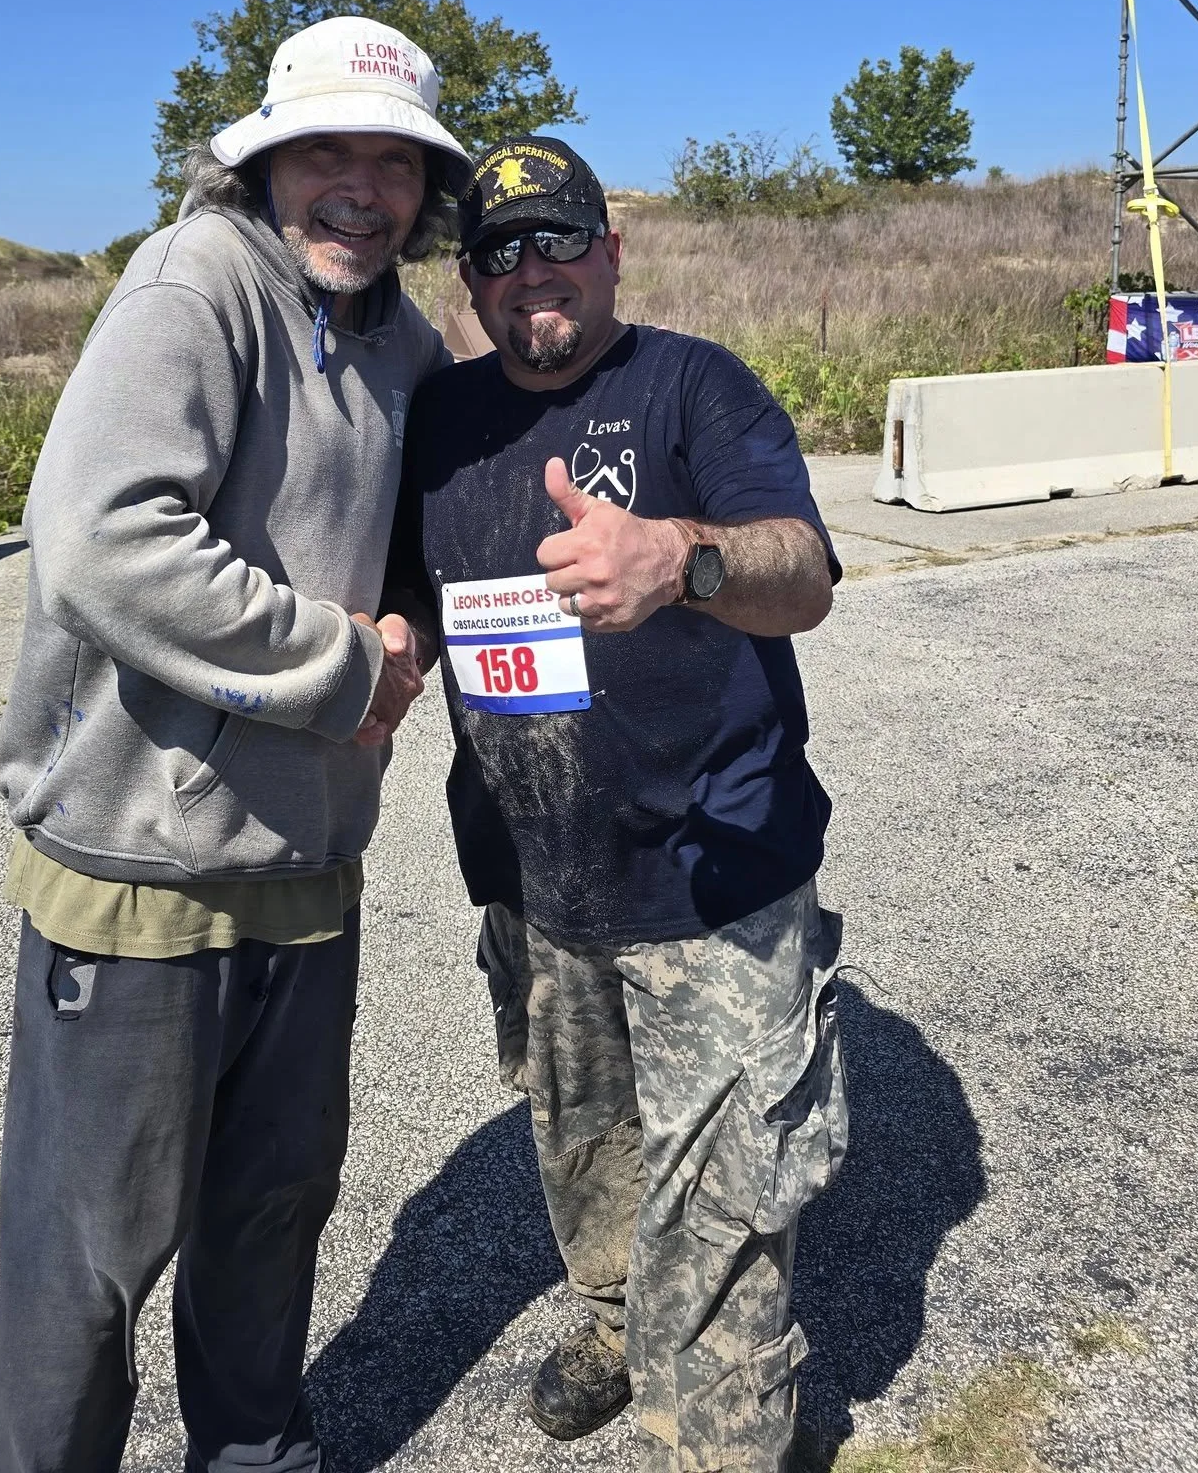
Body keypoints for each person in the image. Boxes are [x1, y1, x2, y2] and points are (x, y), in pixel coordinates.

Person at [0, 17, 469, 1473]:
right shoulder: (197, 286)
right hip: (140, 871)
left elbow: (424, 539)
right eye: (328, 150)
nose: (361, 189)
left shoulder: (399, 337)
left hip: (307, 865)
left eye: (395, 164)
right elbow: (101, 541)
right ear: (260, 158)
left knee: (270, 1221)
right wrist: (343, 665)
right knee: (88, 1271)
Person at [385, 137, 848, 1473]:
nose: (533, 273)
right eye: (500, 250)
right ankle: (607, 1316)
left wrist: (680, 560)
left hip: (716, 879)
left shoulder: (696, 386)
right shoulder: (444, 419)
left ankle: (725, 1437)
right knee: (583, 1143)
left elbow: (802, 572)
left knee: (726, 1213)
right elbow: (416, 590)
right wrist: (396, 638)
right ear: (470, 278)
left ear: (612, 251)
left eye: (559, 239)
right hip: (536, 878)